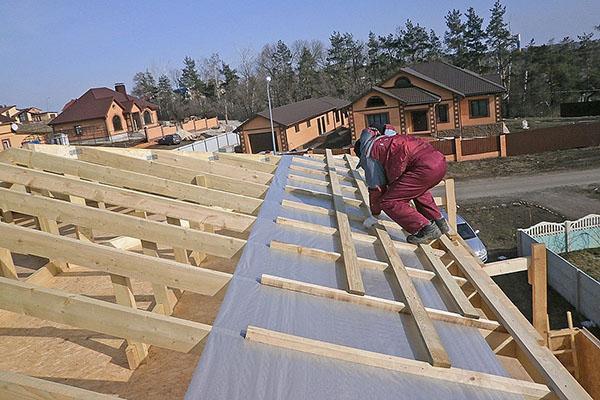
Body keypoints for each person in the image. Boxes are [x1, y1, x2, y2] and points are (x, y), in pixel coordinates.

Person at [354, 124, 450, 244]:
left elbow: (376, 188)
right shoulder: (387, 139)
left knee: (388, 201)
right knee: (417, 191)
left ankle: (425, 228)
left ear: (361, 154)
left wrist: (375, 214)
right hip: (439, 162)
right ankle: (439, 222)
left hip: (423, 168)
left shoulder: (368, 154)